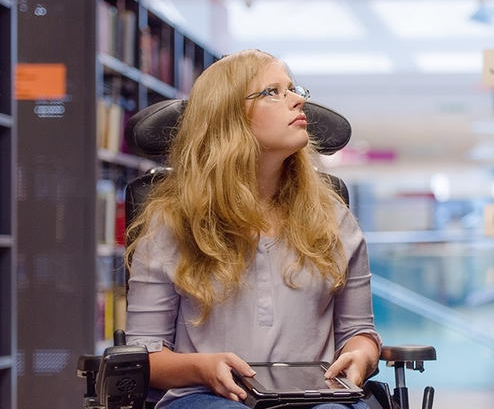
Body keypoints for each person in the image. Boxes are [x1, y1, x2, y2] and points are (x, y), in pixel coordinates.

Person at [124, 49, 381, 409]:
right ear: (228, 117)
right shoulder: (172, 220)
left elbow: (359, 333)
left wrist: (360, 357)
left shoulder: (333, 217)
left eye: (293, 89)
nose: (298, 100)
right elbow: (144, 354)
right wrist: (202, 367)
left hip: (315, 396)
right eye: (272, 92)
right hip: (206, 397)